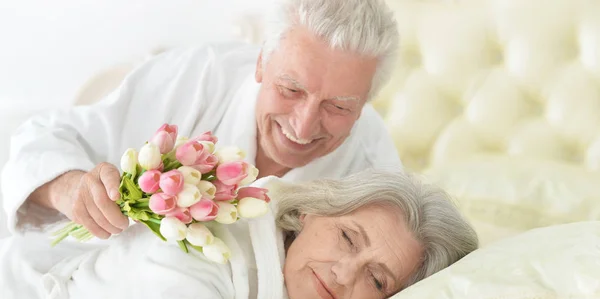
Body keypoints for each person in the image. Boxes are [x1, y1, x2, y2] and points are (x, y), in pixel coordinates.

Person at [0, 170, 479, 299]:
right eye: (348, 239)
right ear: (311, 212)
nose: (343, 271)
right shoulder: (200, 238)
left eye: (377, 280)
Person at [1, 0, 402, 240]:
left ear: (367, 102)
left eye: (338, 107)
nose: (302, 126)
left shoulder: (373, 168)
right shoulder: (198, 75)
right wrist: (69, 188)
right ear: (262, 62)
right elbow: (39, 139)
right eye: (291, 90)